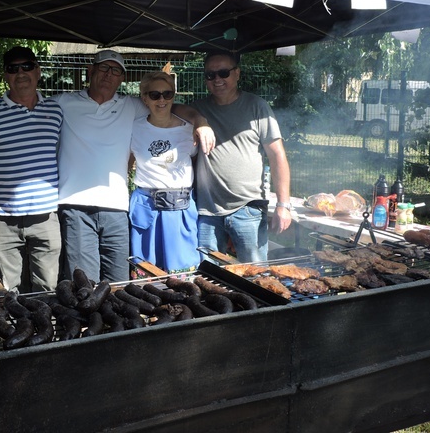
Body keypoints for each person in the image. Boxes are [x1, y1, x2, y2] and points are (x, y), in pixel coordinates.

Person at [54, 50, 214, 283]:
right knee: (87, 280)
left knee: (122, 279)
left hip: (120, 207)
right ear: (91, 70)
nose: (161, 99)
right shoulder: (63, 102)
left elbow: (171, 108)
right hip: (79, 204)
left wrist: (201, 121)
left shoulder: (132, 107)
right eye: (103, 68)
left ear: (122, 78)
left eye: (116, 70)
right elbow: (29, 107)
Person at [0, 46, 63, 293]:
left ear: (38, 71)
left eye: (27, 66)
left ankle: (46, 331)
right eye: (13, 68)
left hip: (46, 218)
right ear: (5, 76)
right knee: (7, 291)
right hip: (3, 221)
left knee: (48, 288)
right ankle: (11, 331)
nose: (21, 73)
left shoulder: (56, 111)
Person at [191, 50, 292, 263]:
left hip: (249, 209)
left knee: (256, 277)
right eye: (211, 75)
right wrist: (199, 120)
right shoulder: (198, 108)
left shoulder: (257, 107)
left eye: (223, 73)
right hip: (209, 211)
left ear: (237, 74)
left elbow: (277, 155)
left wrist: (283, 205)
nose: (217, 79)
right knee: (209, 276)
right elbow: (173, 108)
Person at [129, 71, 199, 273]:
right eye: (154, 95)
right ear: (144, 98)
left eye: (167, 94)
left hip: (180, 207)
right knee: (146, 273)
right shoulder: (133, 128)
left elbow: (194, 160)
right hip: (146, 207)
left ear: (173, 96)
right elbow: (126, 161)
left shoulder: (189, 129)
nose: (162, 100)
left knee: (183, 274)